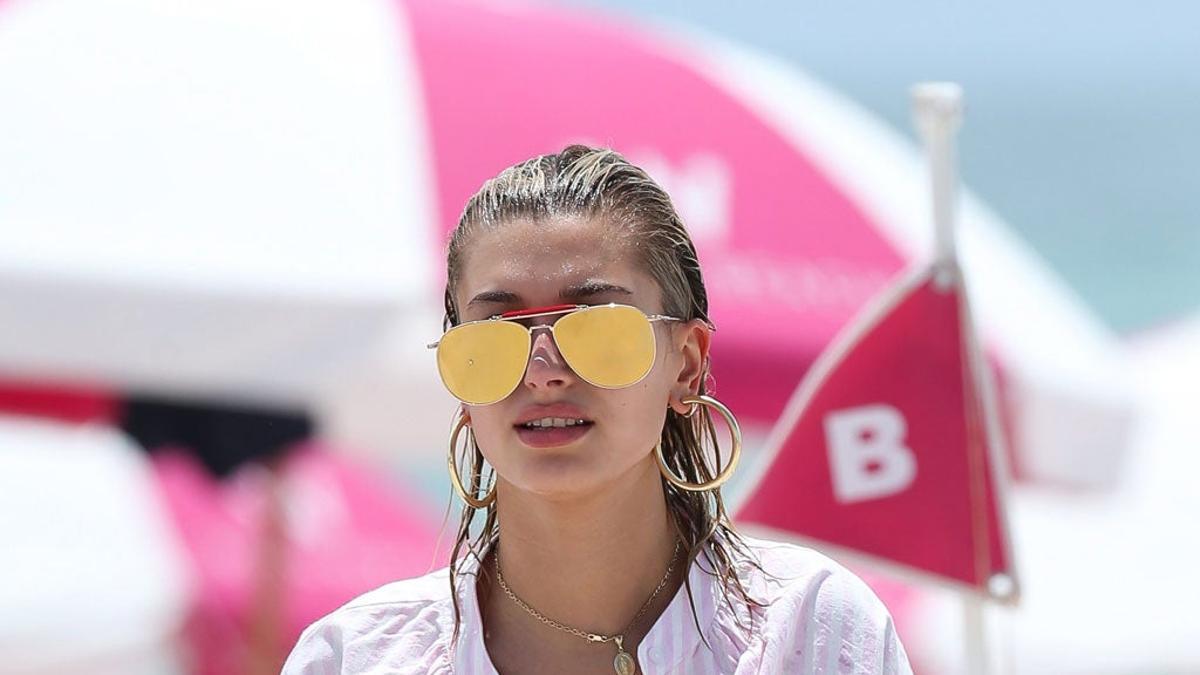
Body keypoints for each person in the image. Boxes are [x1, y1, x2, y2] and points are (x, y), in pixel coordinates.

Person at [282, 145, 912, 674]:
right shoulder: (354, 657)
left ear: (687, 363)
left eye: (598, 328)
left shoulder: (809, 630)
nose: (544, 370)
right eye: (494, 336)